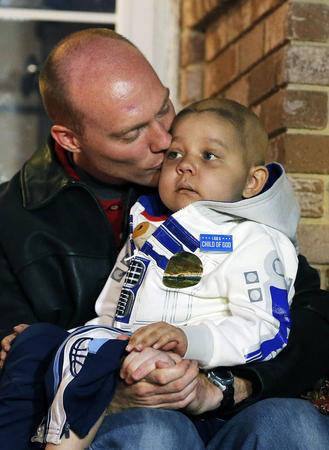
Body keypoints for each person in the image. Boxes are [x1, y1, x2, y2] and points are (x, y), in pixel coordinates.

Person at [0, 28, 328, 450]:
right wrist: (105, 395)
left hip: (228, 407)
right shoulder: (11, 220)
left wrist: (230, 386)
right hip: (107, 419)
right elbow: (18, 365)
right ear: (70, 138)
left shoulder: (215, 182)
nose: (164, 141)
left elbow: (310, 316)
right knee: (155, 433)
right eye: (131, 133)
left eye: (164, 109)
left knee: (294, 423)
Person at [38, 97, 300, 448]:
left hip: (218, 398)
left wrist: (189, 339)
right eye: (175, 154)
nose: (185, 166)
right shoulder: (144, 227)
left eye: (209, 156)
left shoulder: (256, 240)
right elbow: (111, 310)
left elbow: (264, 327)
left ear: (252, 182)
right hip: (142, 382)